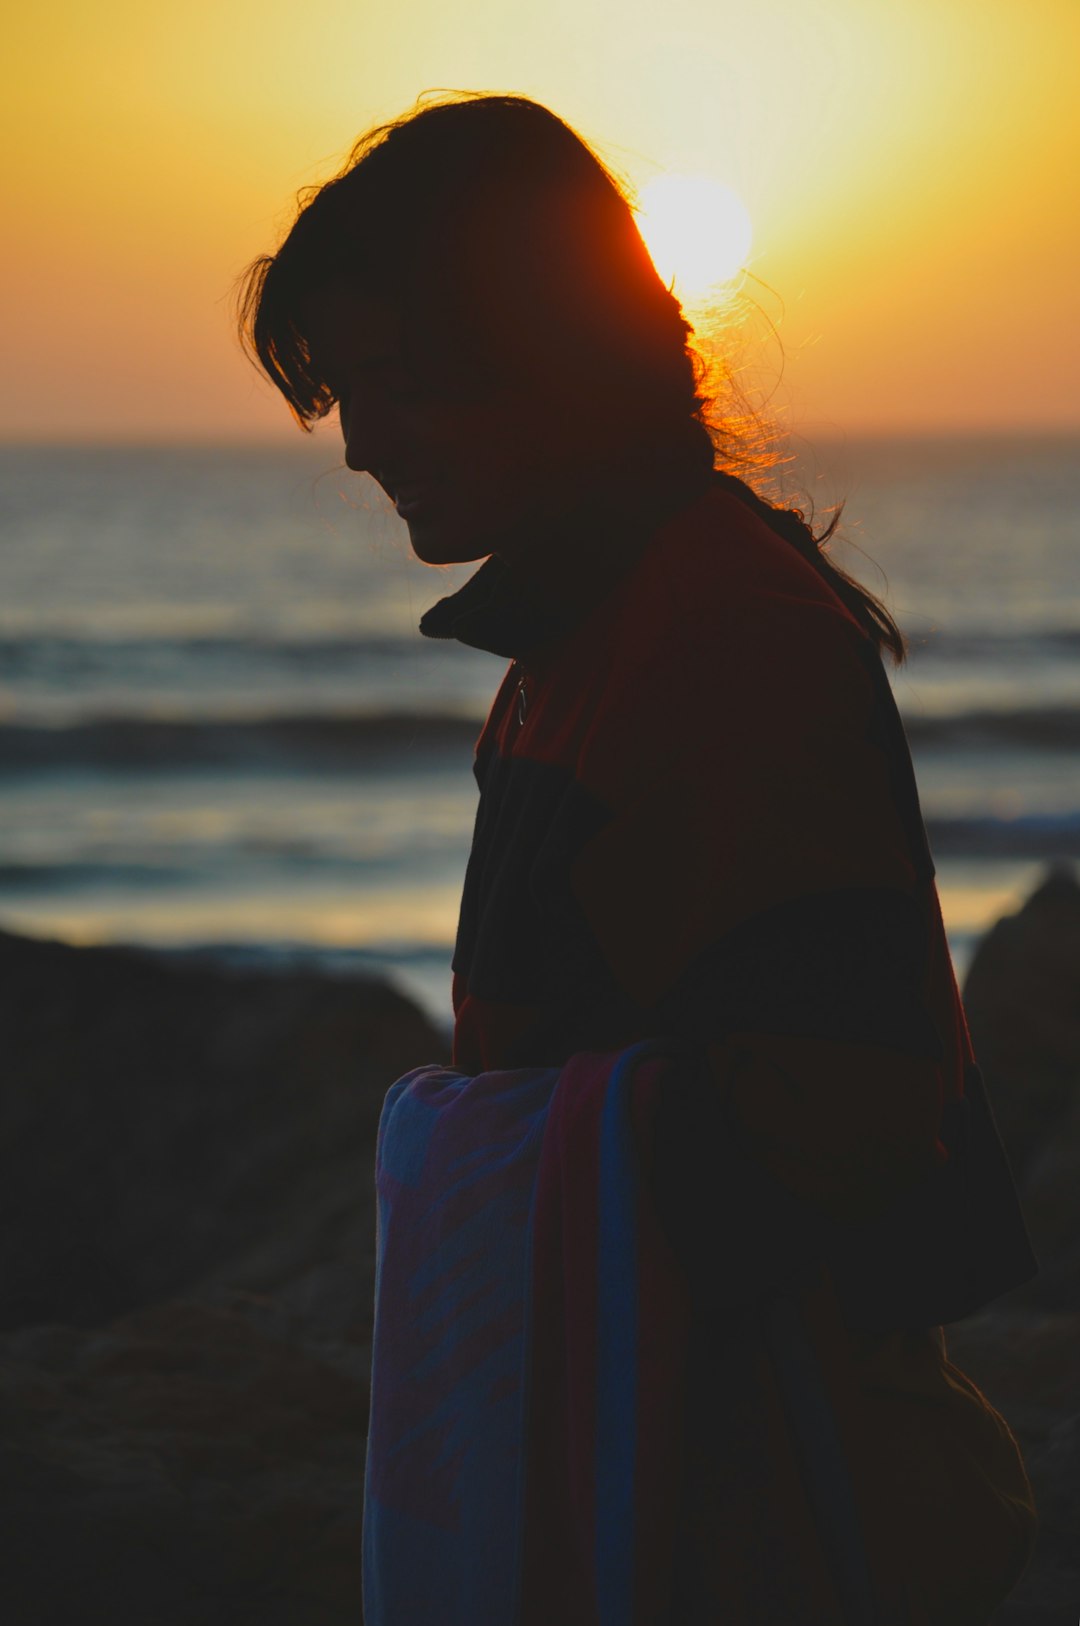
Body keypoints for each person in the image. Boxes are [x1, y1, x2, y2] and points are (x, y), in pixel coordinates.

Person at [236, 91, 1040, 1624]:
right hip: (660, 1457)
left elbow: (852, 1103)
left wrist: (492, 1168)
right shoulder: (582, 631)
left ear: (536, 355)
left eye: (394, 384)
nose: (358, 448)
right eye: (345, 394)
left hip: (771, 1497)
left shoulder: (720, 638)